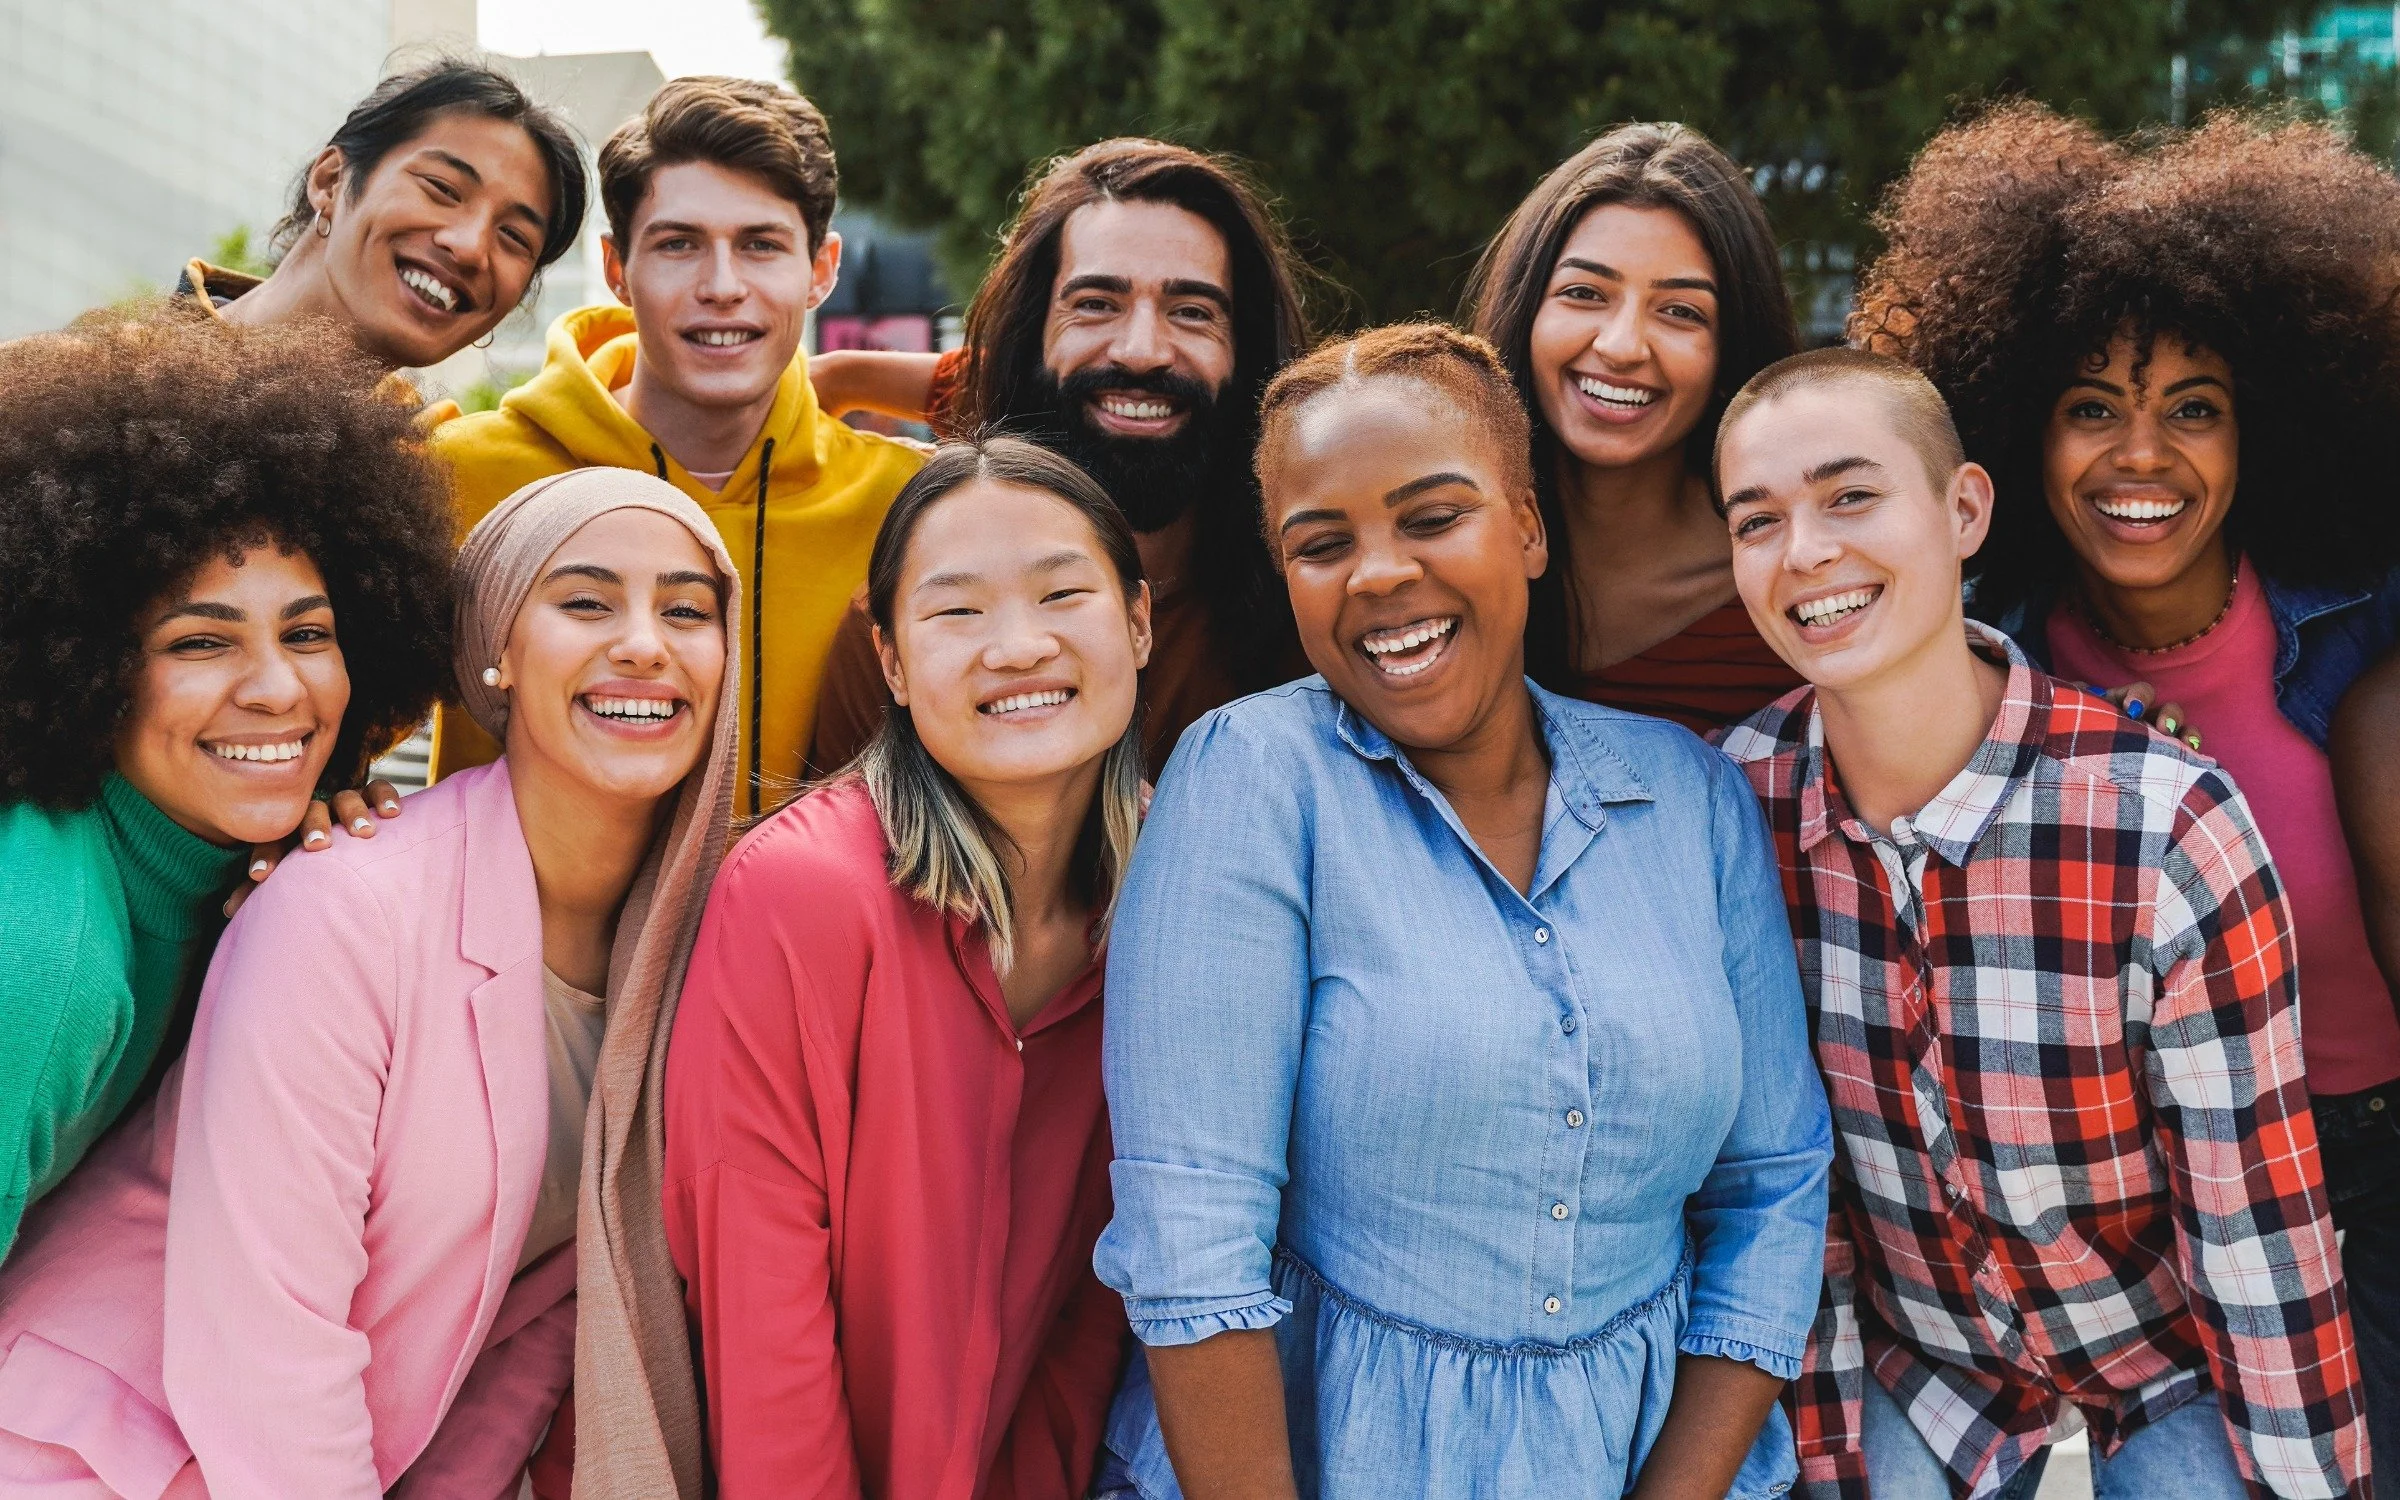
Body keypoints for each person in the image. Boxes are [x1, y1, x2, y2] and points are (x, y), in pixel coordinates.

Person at [1094, 323, 1831, 1499]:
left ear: (1527, 530)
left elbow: (1775, 1184)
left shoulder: (1688, 795)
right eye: (1321, 543)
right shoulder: (1251, 777)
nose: (1380, 572)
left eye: (1432, 518)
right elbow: (1191, 1239)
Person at [0, 467, 740, 1498]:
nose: (645, 642)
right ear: (497, 651)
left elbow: (529, 1331)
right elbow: (272, 1356)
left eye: (689, 610)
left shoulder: (704, 956)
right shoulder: (335, 909)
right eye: (584, 601)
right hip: (91, 1459)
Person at [1713, 347, 2366, 1498]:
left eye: (1850, 494)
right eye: (1756, 520)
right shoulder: (1735, 809)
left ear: (1963, 511)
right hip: (1921, 1358)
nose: (1805, 552)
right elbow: (1782, 1193)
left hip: (2166, 1358)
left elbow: (2257, 1229)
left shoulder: (2166, 823)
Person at [1854, 103, 2400, 1476]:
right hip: (2150, 1230)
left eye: (2193, 410)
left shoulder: (2360, 635)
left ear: (2263, 428)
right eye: (2091, 407)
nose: (2140, 457)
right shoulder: (1992, 668)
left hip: (2377, 1174)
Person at [663, 435, 1145, 1497]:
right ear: (890, 661)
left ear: (1139, 623)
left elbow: (1100, 1306)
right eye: (957, 611)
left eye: (1063, 593)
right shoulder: (797, 895)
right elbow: (759, 1314)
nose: (1016, 646)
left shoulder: (1172, 903)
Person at [0, 317, 453, 1268]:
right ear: (80, 664)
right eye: (200, 642)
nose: (276, 690)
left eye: (308, 633)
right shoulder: (44, 953)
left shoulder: (236, 866)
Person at [431, 75, 923, 816]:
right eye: (678, 245)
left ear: (820, 271)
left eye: (760, 245)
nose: (722, 286)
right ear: (616, 270)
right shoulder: (458, 473)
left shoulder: (908, 507)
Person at [172, 55, 588, 864]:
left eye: (514, 237)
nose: (470, 245)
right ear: (331, 180)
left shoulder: (425, 494)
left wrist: (332, 798)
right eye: (441, 188)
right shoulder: (67, 399)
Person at [807, 137, 1309, 779]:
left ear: (1248, 356)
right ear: (1032, 336)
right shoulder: (904, 639)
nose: (1140, 351)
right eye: (1096, 304)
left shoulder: (1313, 607)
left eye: (1192, 311)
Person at [1463, 122, 1803, 735]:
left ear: (1730, 349)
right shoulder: (1441, 553)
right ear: (1526, 310)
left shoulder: (1789, 582)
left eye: (1680, 311)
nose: (1621, 346)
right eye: (1585, 293)